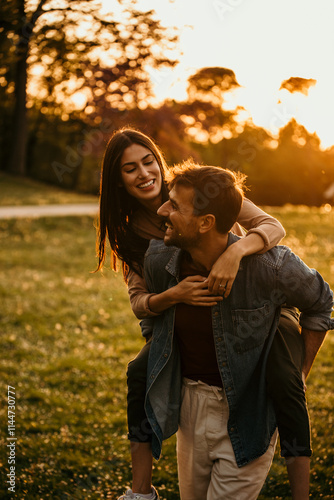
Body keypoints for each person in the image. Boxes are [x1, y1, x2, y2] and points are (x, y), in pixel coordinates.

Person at [96, 128, 304, 499]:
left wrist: (234, 254)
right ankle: (141, 491)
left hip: (250, 304)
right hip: (191, 316)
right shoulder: (130, 233)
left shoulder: (197, 187)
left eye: (148, 162)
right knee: (139, 373)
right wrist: (173, 296)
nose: (145, 174)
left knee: (284, 380)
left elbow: (273, 226)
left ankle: (299, 484)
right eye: (130, 169)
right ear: (118, 181)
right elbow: (140, 303)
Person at [142, 162, 334, 500]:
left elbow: (321, 302)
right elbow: (152, 317)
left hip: (249, 411)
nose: (162, 210)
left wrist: (300, 370)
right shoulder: (160, 259)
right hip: (190, 409)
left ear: (206, 222)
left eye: (174, 205)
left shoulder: (271, 267)